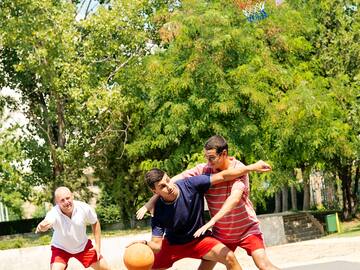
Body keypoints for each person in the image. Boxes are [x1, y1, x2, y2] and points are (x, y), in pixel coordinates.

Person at [137, 135, 279, 270]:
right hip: (221, 232)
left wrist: (252, 167)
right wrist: (150, 203)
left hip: (245, 229)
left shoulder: (239, 170)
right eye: (207, 158)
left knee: (263, 265)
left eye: (212, 158)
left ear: (224, 154)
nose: (208, 162)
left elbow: (233, 198)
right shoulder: (203, 170)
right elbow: (173, 180)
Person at [36, 187, 110, 270]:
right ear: (57, 202)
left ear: (72, 196)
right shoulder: (53, 213)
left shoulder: (84, 208)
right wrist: (42, 227)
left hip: (83, 247)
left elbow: (95, 222)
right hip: (61, 249)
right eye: (62, 200)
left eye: (67, 198)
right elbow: (47, 223)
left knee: (105, 269)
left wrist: (98, 246)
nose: (66, 202)